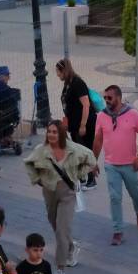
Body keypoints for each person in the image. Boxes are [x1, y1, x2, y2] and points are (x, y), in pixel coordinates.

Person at [25, 121, 97, 274]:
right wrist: (37, 179)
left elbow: (91, 159)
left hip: (67, 193)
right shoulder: (41, 150)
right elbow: (28, 163)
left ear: (62, 134)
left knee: (61, 231)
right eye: (49, 131)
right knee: (55, 224)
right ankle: (71, 247)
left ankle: (60, 269)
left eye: (55, 132)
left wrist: (80, 174)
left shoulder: (74, 149)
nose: (51, 134)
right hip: (49, 192)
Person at [92, 84, 138, 246]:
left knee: (136, 194)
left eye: (109, 97)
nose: (106, 100)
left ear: (118, 97)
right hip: (111, 165)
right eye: (105, 98)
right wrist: (93, 161)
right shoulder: (101, 116)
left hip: (130, 164)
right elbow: (98, 140)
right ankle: (117, 231)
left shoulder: (133, 114)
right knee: (115, 197)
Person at [55, 58, 98, 190]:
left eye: (58, 72)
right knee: (79, 151)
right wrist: (67, 122)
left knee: (85, 151)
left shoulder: (78, 83)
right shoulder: (68, 83)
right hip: (75, 124)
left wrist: (83, 125)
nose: (57, 75)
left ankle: (92, 180)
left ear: (64, 70)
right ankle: (84, 177)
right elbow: (68, 105)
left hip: (85, 124)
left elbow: (86, 104)